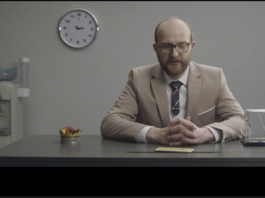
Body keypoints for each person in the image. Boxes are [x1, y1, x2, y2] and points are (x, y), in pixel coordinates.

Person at [101, 17, 246, 146]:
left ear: (192, 47)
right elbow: (109, 123)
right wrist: (155, 133)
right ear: (155, 49)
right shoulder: (138, 78)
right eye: (166, 46)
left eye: (182, 45)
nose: (174, 54)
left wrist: (206, 133)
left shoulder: (214, 77)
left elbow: (242, 121)